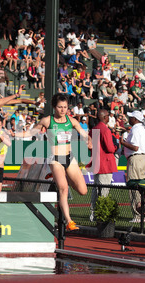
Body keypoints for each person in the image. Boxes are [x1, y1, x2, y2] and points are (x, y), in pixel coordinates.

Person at [14, 93, 92, 231]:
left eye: (65, 107)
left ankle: (59, 175)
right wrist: (15, 134)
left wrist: (88, 140)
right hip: (55, 159)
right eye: (60, 107)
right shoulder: (47, 121)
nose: (63, 110)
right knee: (63, 188)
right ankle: (69, 221)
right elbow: (31, 133)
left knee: (83, 191)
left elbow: (84, 134)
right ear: (54, 107)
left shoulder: (72, 121)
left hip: (69, 157)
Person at [119, 110, 145, 222]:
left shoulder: (136, 129)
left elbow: (135, 147)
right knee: (143, 186)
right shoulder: (144, 131)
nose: (130, 119)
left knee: (134, 186)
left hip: (136, 158)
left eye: (131, 117)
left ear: (136, 119)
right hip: (144, 158)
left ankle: (138, 215)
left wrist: (123, 142)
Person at [88, 109, 118, 221]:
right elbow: (110, 148)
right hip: (105, 163)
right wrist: (116, 147)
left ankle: (93, 213)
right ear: (106, 117)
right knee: (104, 190)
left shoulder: (93, 129)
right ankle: (101, 214)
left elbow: (89, 145)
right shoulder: (105, 130)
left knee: (95, 190)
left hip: (96, 162)